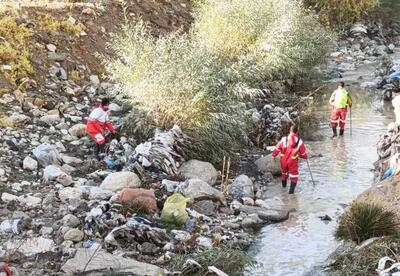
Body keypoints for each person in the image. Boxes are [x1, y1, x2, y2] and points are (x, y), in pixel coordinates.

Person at [272, 125, 308, 194]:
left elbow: (277, 148)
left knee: (284, 174)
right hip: (292, 161)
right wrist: (305, 157)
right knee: (294, 176)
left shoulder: (284, 139)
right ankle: (291, 194)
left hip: (283, 161)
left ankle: (283, 189)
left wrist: (274, 155)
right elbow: (303, 154)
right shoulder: (299, 141)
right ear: (296, 132)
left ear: (290, 131)